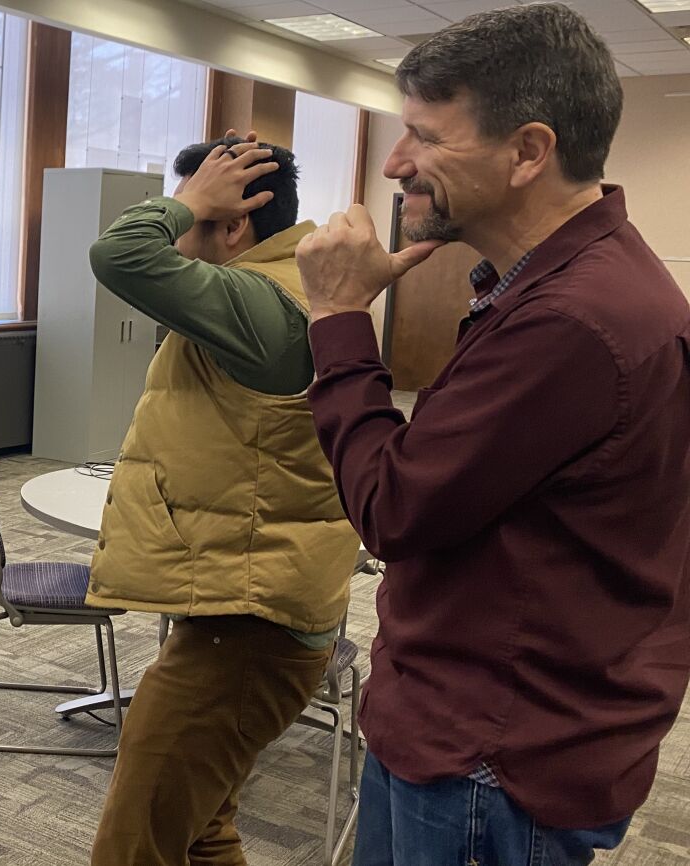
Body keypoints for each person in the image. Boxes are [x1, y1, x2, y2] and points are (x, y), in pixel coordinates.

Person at [294, 5, 690, 864]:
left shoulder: (577, 322)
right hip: (467, 719)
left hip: (494, 754)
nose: (395, 163)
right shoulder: (563, 291)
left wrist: (336, 318)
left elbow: (392, 509)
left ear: (528, 151)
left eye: (425, 137)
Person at [85, 133, 360, 865]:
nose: (176, 236)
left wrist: (182, 201)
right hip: (247, 606)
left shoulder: (263, 302)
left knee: (132, 849)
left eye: (191, 218)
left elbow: (119, 255)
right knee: (202, 831)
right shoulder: (281, 292)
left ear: (234, 222)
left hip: (250, 628)